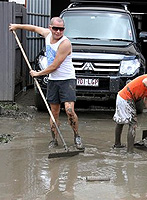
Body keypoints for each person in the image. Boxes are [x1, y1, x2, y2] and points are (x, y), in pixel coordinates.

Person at [9, 17, 83, 149]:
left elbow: (55, 66)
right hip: (53, 81)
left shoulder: (65, 44)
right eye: (55, 28)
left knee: (69, 110)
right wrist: (16, 26)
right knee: (53, 112)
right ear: (50, 28)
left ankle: (77, 136)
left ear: (64, 30)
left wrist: (38, 73)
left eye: (61, 29)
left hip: (67, 80)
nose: (58, 31)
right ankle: (54, 140)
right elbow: (32, 28)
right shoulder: (47, 34)